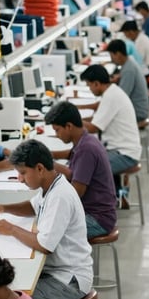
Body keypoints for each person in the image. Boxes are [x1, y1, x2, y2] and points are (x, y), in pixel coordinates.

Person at [0, 140, 92, 299]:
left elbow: (44, 245)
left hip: (70, 279)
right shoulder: (51, 187)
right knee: (23, 292)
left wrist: (12, 229)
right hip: (60, 272)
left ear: (40, 169)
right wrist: (4, 208)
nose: (21, 179)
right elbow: (33, 207)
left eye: (23, 173)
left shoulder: (60, 196)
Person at [45, 102, 117, 239]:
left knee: (47, 232)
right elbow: (71, 173)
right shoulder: (84, 140)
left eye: (57, 130)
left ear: (69, 126)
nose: (57, 135)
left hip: (97, 220)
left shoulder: (86, 150)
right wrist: (47, 159)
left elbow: (75, 194)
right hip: (94, 212)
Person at [79, 64, 141, 196]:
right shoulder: (112, 92)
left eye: (89, 85)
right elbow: (96, 119)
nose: (90, 89)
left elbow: (94, 128)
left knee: (86, 168)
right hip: (121, 149)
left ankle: (101, 208)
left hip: (125, 154)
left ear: (96, 83)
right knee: (86, 159)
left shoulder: (111, 97)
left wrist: (71, 121)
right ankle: (113, 196)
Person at [106, 39, 149, 122]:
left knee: (105, 119)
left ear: (118, 54)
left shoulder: (128, 70)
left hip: (138, 112)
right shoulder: (129, 61)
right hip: (138, 107)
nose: (111, 59)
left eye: (111, 55)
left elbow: (122, 97)